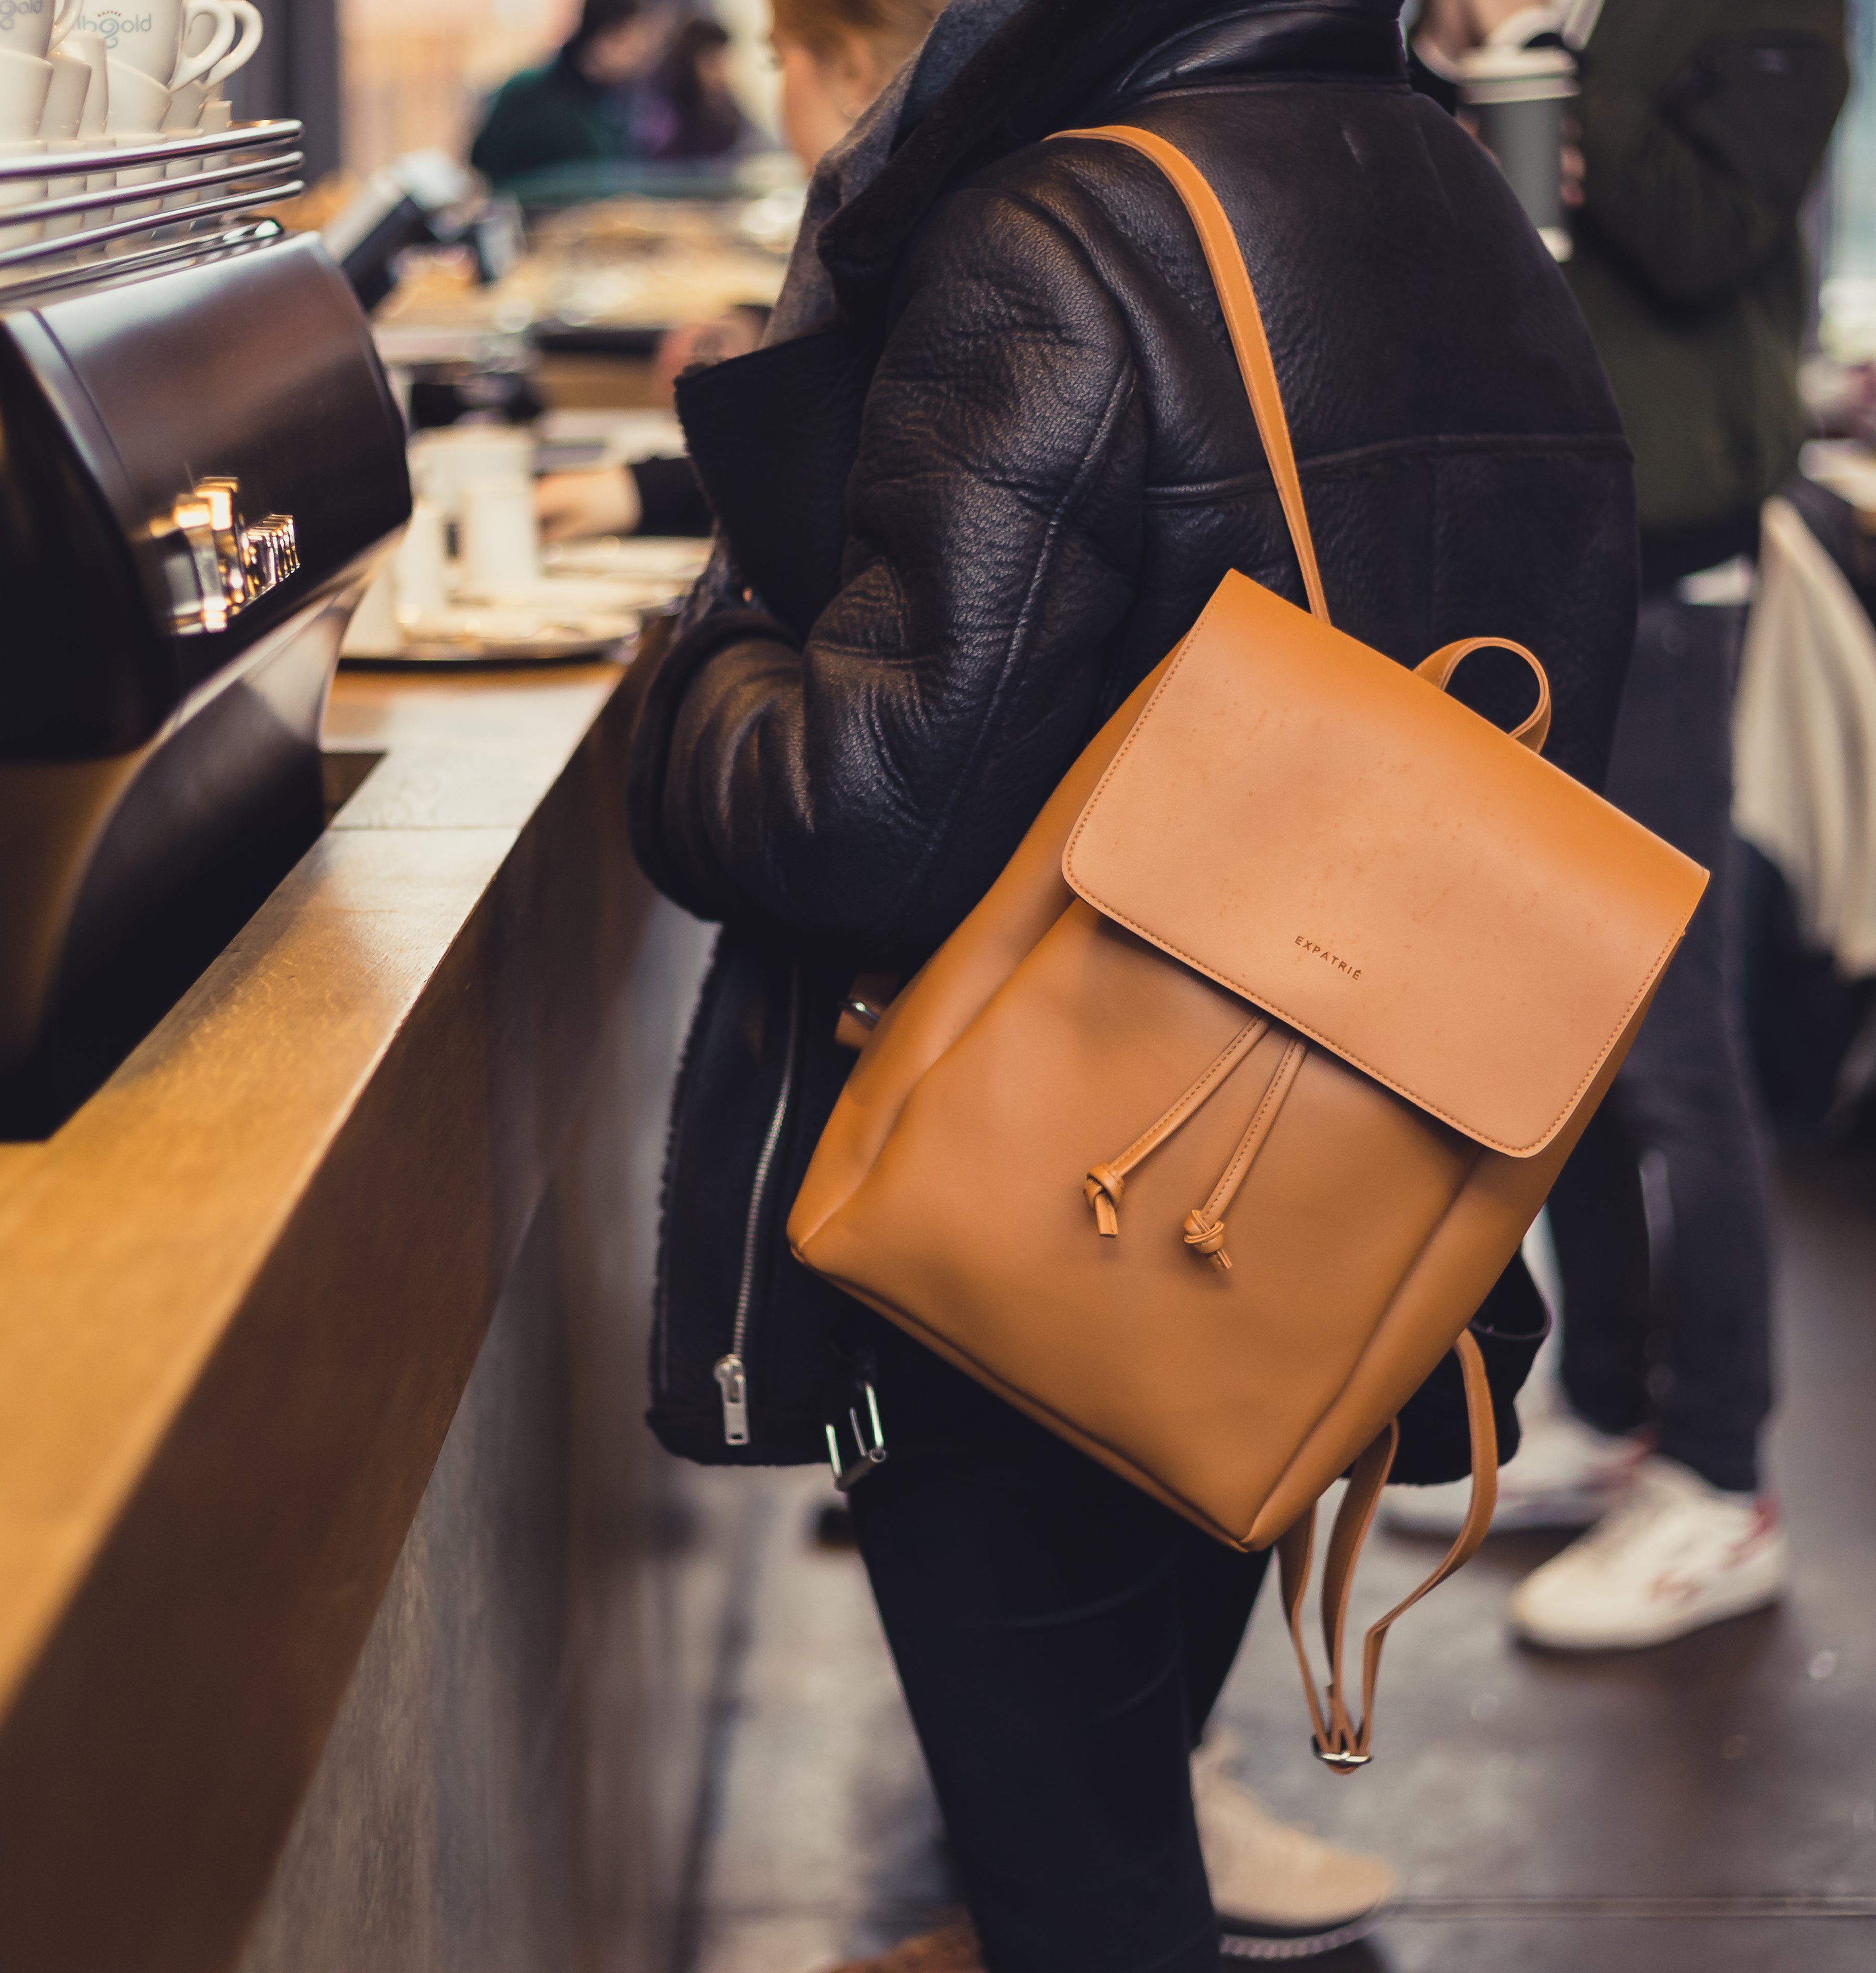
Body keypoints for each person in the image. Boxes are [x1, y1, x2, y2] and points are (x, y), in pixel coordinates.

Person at [629, 2, 1639, 1966]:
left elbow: (861, 808)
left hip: (1046, 1231)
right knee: (1105, 1783)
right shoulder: (1445, 181)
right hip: (1321, 1207)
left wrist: (697, 675)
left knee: (1079, 1881)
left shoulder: (1063, 234)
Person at [1391, 0, 1849, 1657]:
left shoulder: (1764, 15)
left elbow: (1703, 230)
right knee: (1545, 1019)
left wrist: (1552, 53)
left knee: (1670, 1039)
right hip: (1508, 549)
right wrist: (1444, 59)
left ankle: (1719, 1477)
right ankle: (1602, 1414)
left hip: (1668, 573)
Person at [537, 0, 953, 542]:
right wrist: (757, 326)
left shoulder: (929, 259)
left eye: (779, 63)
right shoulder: (928, 229)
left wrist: (649, 491)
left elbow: (835, 481)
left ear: (851, 71)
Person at [471, 0, 679, 187]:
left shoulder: (613, 99)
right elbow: (485, 165)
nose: (645, 60)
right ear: (608, 37)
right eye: (637, 47)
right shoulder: (529, 96)